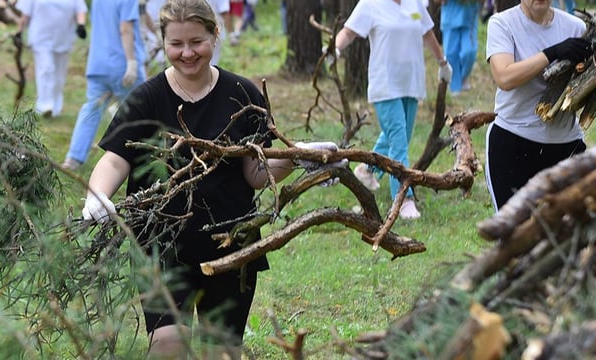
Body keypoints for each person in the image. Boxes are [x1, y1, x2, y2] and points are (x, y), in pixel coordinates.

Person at [79, 0, 342, 357]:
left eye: (196, 42)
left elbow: (257, 172)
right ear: (163, 42)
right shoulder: (147, 98)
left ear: (215, 35)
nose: (187, 53)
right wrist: (97, 195)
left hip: (229, 242)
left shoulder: (242, 94)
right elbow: (114, 160)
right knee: (169, 344)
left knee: (221, 351)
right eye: (176, 44)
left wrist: (299, 156)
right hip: (160, 246)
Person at [330, 0, 450, 220]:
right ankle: (403, 199)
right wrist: (334, 49)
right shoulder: (370, 4)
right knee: (398, 141)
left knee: (399, 136)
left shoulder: (415, 3)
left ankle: (367, 169)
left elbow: (427, 33)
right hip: (385, 84)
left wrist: (442, 62)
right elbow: (348, 32)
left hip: (411, 82)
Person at [485, 0, 590, 211]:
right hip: (513, 142)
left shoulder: (575, 27)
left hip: (566, 144)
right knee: (514, 228)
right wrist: (553, 53)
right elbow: (504, 77)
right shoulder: (502, 23)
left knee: (570, 225)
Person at [62, 0, 147, 170]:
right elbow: (125, 29)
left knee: (91, 110)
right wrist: (131, 62)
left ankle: (73, 158)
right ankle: (144, 158)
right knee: (143, 110)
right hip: (122, 65)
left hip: (98, 63)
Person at [15, 0, 88, 118]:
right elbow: (26, 14)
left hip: (63, 39)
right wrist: (19, 32)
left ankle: (56, 108)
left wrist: (81, 25)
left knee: (59, 76)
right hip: (41, 39)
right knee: (46, 69)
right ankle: (44, 106)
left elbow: (80, 10)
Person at [437, 0, 481, 95]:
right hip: (450, 17)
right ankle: (455, 87)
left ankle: (463, 77)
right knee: (451, 54)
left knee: (469, 52)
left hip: (469, 18)